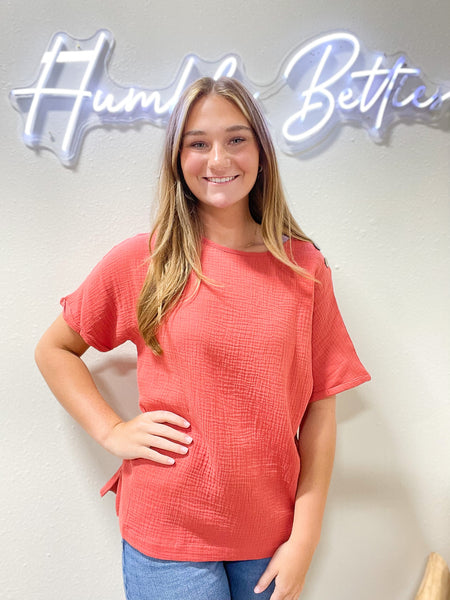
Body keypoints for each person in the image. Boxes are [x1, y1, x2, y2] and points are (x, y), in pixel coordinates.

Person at [35, 76, 370, 600]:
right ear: (178, 158)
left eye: (236, 139)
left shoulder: (304, 267)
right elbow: (54, 350)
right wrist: (112, 431)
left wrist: (305, 537)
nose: (218, 159)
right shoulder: (146, 261)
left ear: (261, 152)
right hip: (167, 531)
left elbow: (320, 407)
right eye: (198, 143)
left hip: (270, 532)